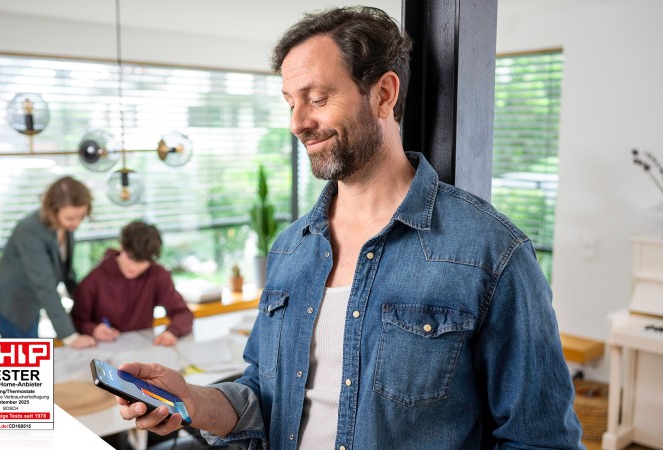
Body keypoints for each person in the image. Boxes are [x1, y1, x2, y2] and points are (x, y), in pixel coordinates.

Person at [114, 6, 584, 448]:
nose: (299, 122)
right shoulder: (290, 249)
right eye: (290, 103)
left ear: (383, 94)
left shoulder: (490, 251)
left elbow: (539, 437)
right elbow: (264, 398)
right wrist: (193, 401)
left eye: (317, 98)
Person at [0, 176, 96, 348]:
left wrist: (86, 307)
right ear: (53, 210)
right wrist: (70, 336)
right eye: (70, 218)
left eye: (81, 217)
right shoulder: (29, 230)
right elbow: (44, 285)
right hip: (12, 304)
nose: (76, 224)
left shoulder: (64, 227)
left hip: (31, 303)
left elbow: (67, 272)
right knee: (27, 362)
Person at [71, 221, 194, 346]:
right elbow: (75, 321)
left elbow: (183, 313)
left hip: (143, 349)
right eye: (130, 258)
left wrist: (172, 332)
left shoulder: (157, 275)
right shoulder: (94, 279)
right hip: (103, 352)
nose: (134, 267)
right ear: (121, 247)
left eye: (142, 262)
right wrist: (93, 329)